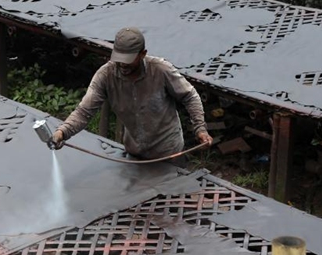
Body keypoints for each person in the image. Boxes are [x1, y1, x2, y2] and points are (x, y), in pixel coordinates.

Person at [51, 27, 213, 165]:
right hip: (135, 153)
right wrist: (62, 132)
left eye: (128, 60)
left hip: (168, 153)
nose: (122, 65)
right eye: (119, 59)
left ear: (143, 54)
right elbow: (84, 112)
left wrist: (200, 128)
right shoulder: (106, 75)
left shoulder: (160, 70)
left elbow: (190, 96)